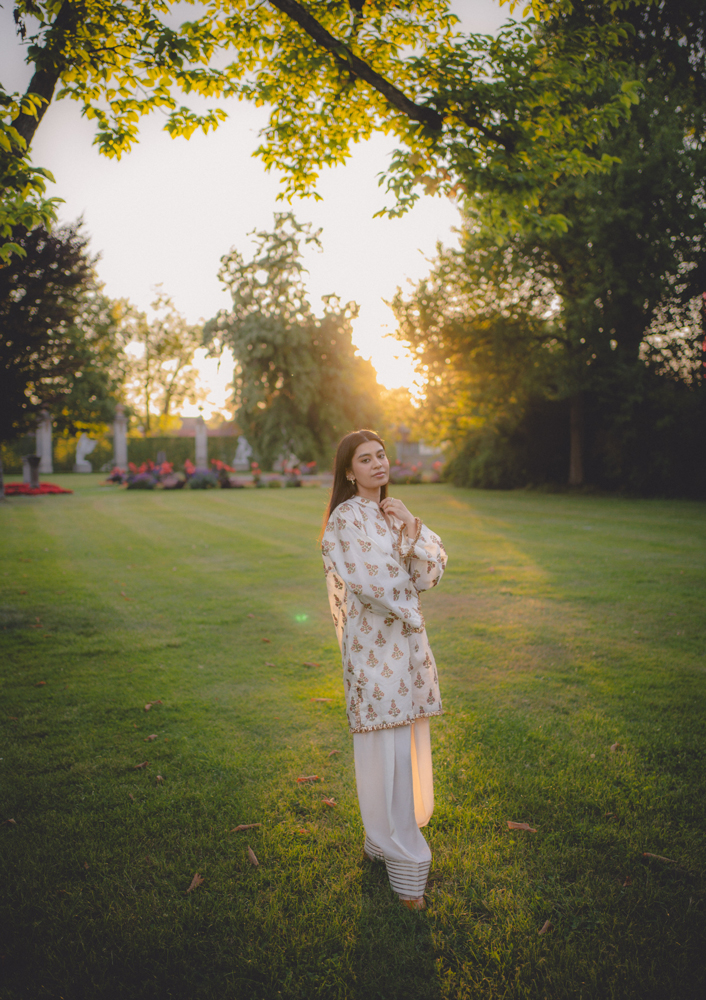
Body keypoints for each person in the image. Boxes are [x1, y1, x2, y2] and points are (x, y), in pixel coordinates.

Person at [321, 429, 447, 910]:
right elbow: (376, 584)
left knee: (402, 747)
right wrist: (412, 607)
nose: (378, 464)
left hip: (407, 650)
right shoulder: (347, 518)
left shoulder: (392, 513)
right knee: (385, 747)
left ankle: (381, 841)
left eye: (381, 455)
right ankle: (405, 863)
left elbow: (428, 574)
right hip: (373, 650)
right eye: (365, 459)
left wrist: (413, 528)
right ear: (349, 472)